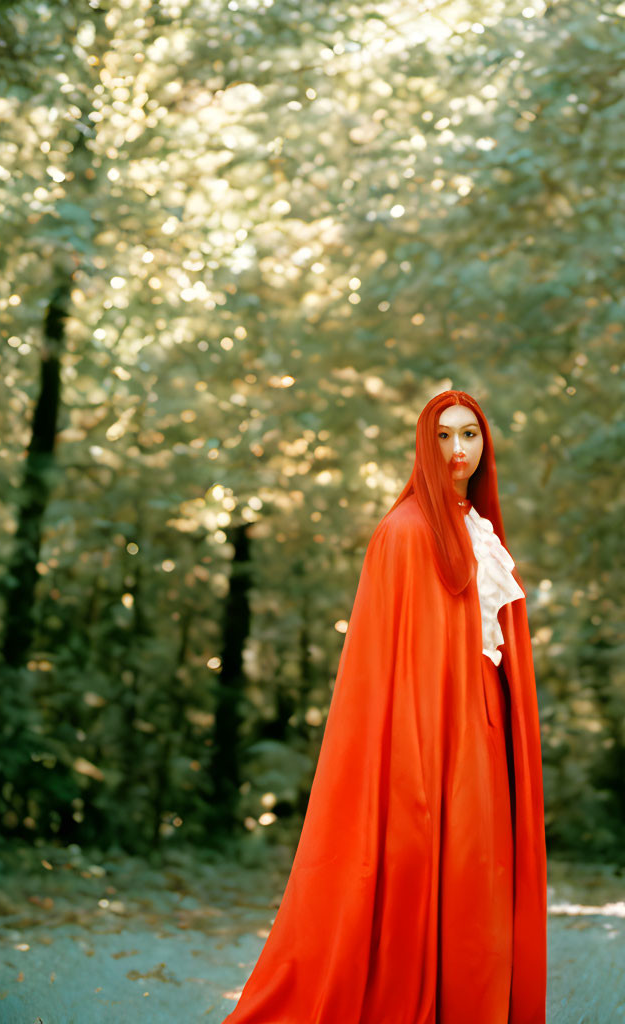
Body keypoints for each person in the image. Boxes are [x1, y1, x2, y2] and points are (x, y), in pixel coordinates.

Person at [223, 389, 547, 1024]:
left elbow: (495, 657)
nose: (459, 450)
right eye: (445, 436)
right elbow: (394, 667)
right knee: (432, 879)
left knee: (480, 884)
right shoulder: (403, 533)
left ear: (487, 445)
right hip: (425, 741)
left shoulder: (480, 531)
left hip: (482, 734)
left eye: (471, 435)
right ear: (425, 446)